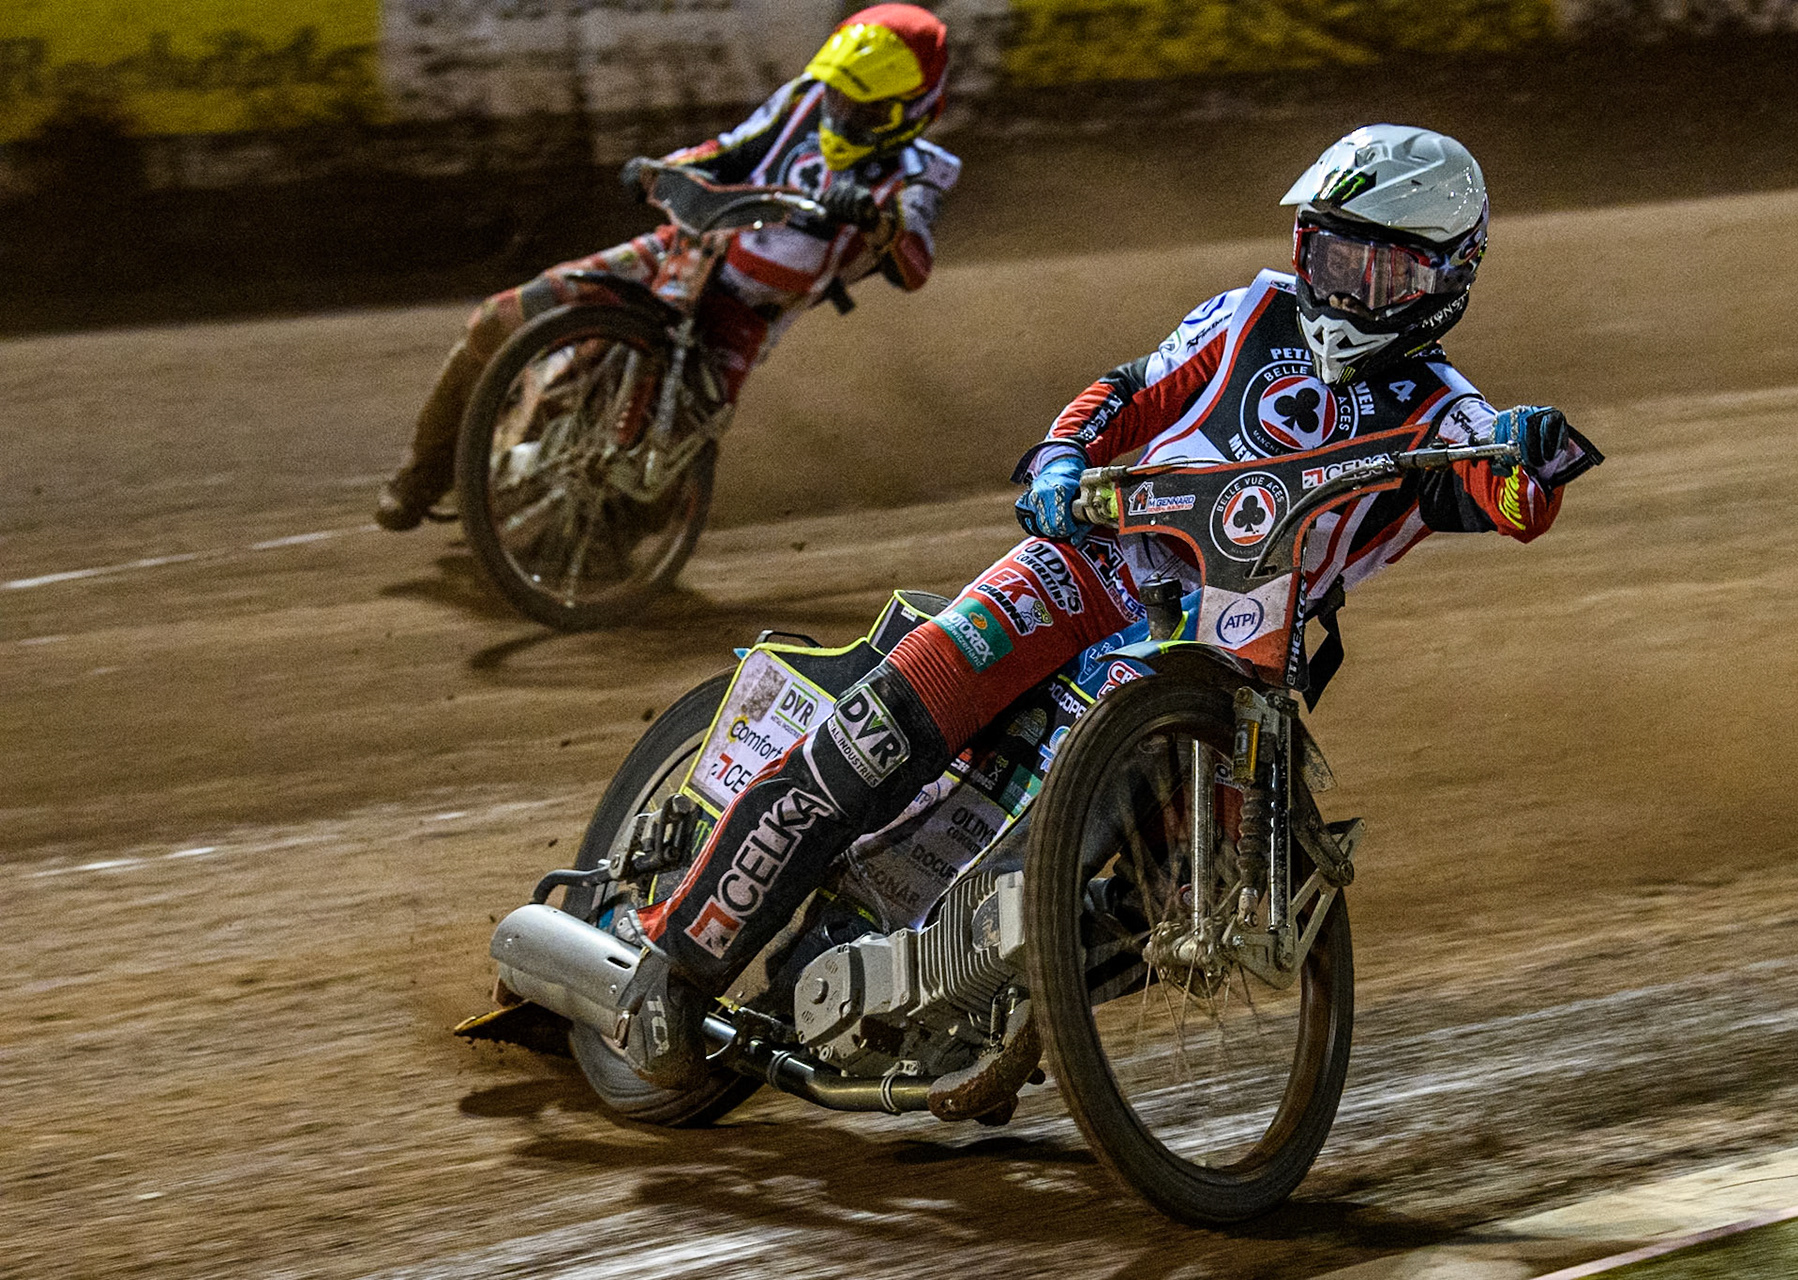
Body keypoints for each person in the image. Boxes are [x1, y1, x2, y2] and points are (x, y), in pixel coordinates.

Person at [610, 124, 1605, 1094]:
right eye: (1333, 255)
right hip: (1092, 563)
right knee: (883, 729)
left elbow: (1516, 503)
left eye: (1380, 271)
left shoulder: (1450, 414)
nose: (1347, 288)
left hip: (1224, 652)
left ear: (1445, 278)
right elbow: (1131, 389)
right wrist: (1061, 456)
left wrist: (1534, 449)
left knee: (1167, 900)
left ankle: (987, 1015)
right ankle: (676, 956)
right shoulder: (1253, 313)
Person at [375, 4, 960, 532]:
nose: (842, 111)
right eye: (839, 95)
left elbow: (915, 265)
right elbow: (731, 148)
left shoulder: (920, 174)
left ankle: (595, 549)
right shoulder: (803, 98)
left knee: (659, 489)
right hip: (681, 249)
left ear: (910, 111)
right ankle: (422, 475)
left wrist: (878, 223)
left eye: (865, 107)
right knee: (499, 319)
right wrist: (667, 169)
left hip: (745, 313)